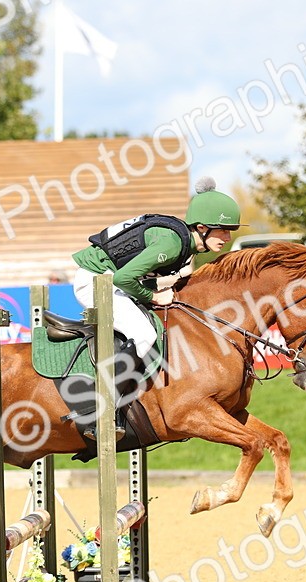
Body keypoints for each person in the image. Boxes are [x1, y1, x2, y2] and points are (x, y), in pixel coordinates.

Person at [71, 177, 244, 439]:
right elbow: (123, 279)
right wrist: (153, 297)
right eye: (223, 230)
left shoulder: (184, 244)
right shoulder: (173, 243)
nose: (227, 237)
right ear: (202, 228)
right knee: (144, 334)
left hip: (109, 278)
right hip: (95, 281)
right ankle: (103, 412)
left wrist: (163, 283)